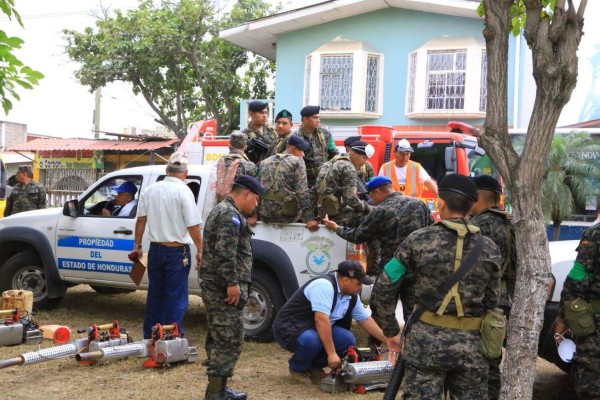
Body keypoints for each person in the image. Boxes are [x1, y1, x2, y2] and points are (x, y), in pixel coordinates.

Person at [371, 173, 501, 399]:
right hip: (471, 348)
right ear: (472, 205)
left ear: (441, 202)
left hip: (425, 344)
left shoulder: (418, 240)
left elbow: (384, 285)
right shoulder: (489, 248)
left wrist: (390, 332)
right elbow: (492, 302)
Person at [200, 174, 266, 400]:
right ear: (246, 194)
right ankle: (215, 394)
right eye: (255, 199)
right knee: (228, 339)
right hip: (223, 288)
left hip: (217, 286)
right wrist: (232, 284)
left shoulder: (226, 211)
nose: (256, 204)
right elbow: (225, 253)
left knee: (221, 337)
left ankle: (219, 389)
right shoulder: (229, 215)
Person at [272, 260, 388, 385]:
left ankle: (313, 367)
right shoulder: (324, 286)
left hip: (313, 328)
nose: (360, 287)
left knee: (347, 339)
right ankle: (297, 368)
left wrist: (388, 341)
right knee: (311, 340)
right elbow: (321, 320)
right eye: (359, 283)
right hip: (290, 328)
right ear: (345, 280)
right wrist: (331, 353)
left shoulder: (351, 296)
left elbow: (365, 320)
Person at [130, 153, 202, 340]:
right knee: (176, 297)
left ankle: (151, 337)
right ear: (185, 173)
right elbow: (192, 225)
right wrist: (201, 249)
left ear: (166, 170)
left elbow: (141, 220)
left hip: (155, 250)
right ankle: (171, 338)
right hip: (177, 252)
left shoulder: (150, 190)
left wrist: (137, 246)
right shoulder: (184, 191)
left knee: (156, 295)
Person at [323, 175, 434, 278]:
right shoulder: (419, 204)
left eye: (371, 196)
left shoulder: (380, 211)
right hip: (417, 264)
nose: (372, 200)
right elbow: (432, 230)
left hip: (392, 268)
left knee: (383, 299)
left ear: (377, 192)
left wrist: (336, 228)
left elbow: (357, 236)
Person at [469, 175, 515, 400]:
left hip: (482, 299)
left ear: (477, 196)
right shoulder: (512, 222)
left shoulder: (478, 225)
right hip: (507, 301)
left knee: (479, 358)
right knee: (493, 354)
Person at [555, 200, 600, 399]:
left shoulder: (595, 235)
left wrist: (561, 319)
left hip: (596, 325)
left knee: (590, 380)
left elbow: (577, 279)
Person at [258, 135, 318, 230]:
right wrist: (309, 218)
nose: (303, 154)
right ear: (294, 148)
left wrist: (254, 215)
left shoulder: (265, 162)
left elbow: (257, 189)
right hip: (287, 216)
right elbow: (302, 192)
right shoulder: (297, 162)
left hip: (266, 215)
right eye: (302, 150)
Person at [315, 140, 371, 228]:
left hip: (323, 211)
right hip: (339, 215)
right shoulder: (349, 168)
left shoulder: (330, 162)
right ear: (354, 153)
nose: (365, 162)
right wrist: (369, 208)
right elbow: (350, 199)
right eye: (364, 158)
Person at [296, 105, 339, 188]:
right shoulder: (296, 137)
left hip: (324, 180)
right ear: (304, 119)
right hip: (304, 182)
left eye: (319, 118)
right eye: (315, 118)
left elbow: (334, 153)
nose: (318, 120)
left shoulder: (325, 133)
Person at [215, 131, 258, 203]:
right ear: (245, 147)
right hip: (238, 206)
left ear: (229, 146)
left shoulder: (221, 161)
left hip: (219, 204)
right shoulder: (249, 165)